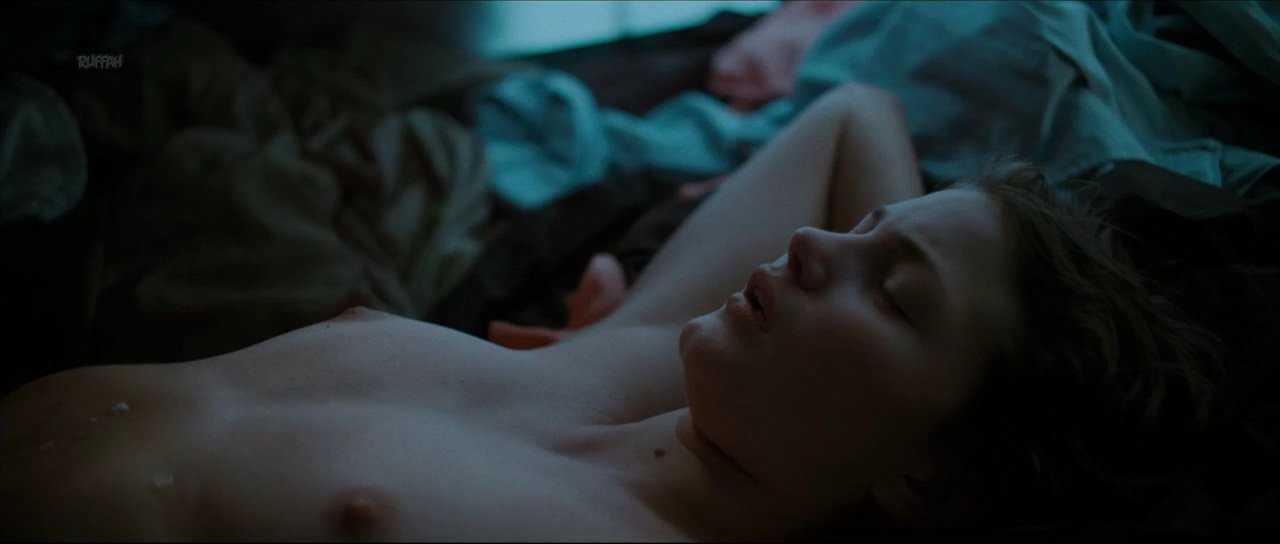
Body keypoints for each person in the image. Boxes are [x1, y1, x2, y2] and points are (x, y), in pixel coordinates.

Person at [0, 82, 1221, 541]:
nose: (810, 246)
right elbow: (852, 113)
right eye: (859, 230)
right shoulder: (640, 368)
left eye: (891, 292)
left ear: (929, 477)